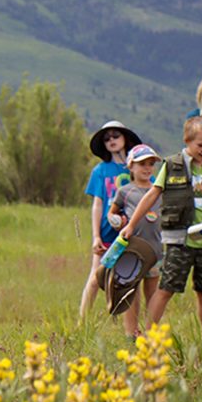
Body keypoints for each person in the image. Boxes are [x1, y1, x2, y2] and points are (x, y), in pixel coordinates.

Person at [120, 117, 202, 343]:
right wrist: (131, 224)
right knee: (167, 288)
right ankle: (149, 336)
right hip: (179, 241)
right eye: (200, 145)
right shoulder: (172, 165)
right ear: (187, 141)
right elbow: (152, 195)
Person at [79, 120, 139, 320]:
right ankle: (83, 321)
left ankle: (130, 325)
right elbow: (97, 204)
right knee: (96, 277)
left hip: (131, 231)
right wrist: (96, 236)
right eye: (107, 139)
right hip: (107, 233)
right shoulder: (100, 171)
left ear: (125, 138)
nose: (111, 140)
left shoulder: (136, 169)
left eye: (115, 136)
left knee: (129, 278)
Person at [108, 144, 163, 337]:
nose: (147, 168)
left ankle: (152, 331)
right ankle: (131, 333)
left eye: (150, 164)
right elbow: (112, 213)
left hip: (156, 249)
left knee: (153, 292)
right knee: (131, 291)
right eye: (142, 164)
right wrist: (116, 221)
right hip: (132, 250)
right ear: (131, 166)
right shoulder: (125, 191)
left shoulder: (158, 190)